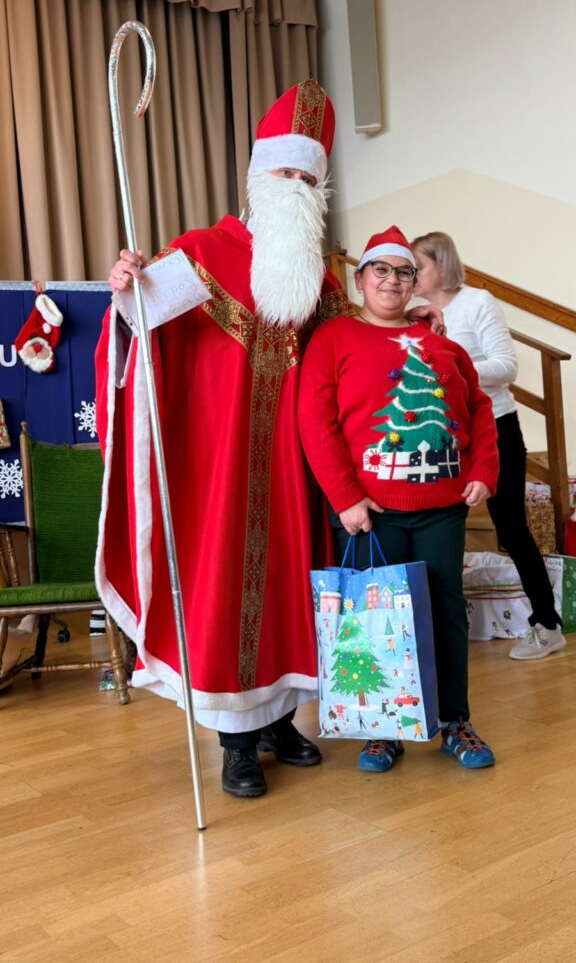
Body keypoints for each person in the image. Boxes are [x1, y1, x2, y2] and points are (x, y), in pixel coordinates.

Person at [95, 83, 441, 800]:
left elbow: (356, 365)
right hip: (219, 469)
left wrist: (411, 338)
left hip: (298, 470)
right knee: (228, 592)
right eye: (284, 174)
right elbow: (139, 341)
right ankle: (237, 743)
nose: (295, 187)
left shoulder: (320, 282)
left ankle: (284, 723)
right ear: (258, 177)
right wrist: (127, 296)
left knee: (294, 588)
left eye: (308, 178)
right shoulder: (199, 254)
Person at [298, 226, 500, 772]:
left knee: (445, 611)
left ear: (416, 283)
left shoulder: (443, 344)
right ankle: (383, 728)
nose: (392, 281)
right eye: (380, 271)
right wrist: (345, 496)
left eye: (404, 272)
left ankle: (454, 721)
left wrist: (484, 467)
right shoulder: (334, 338)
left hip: (441, 506)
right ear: (360, 279)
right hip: (368, 512)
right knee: (374, 620)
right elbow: (315, 422)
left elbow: (479, 409)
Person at [411, 231, 565, 661]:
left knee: (511, 528)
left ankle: (548, 625)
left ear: (440, 265)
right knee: (443, 531)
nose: (410, 275)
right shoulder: (412, 316)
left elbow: (506, 366)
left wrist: (451, 368)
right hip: (440, 435)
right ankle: (444, 627)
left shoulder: (477, 302)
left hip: (493, 429)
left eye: (417, 266)